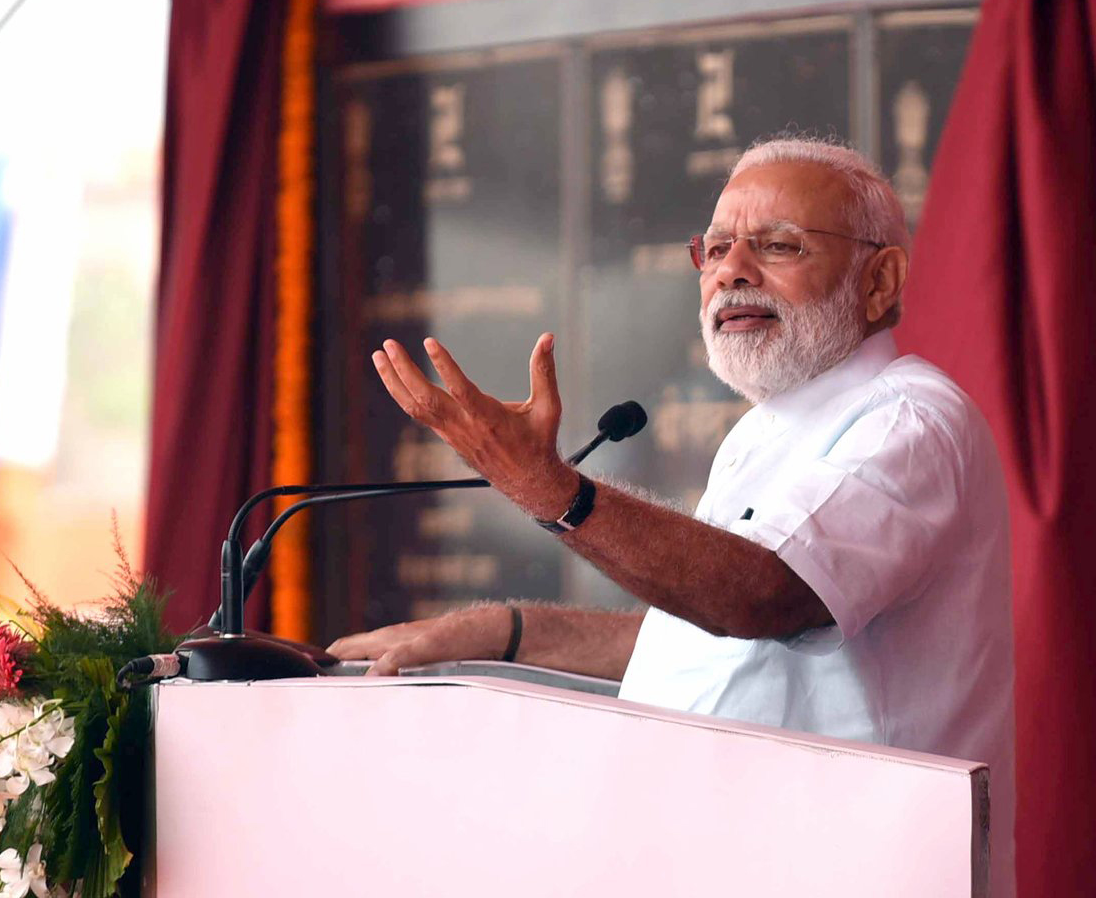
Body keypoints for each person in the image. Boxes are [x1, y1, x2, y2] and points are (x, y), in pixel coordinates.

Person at [327, 137, 1015, 895]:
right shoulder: (766, 430)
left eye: (777, 245)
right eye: (715, 247)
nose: (731, 270)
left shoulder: (907, 420)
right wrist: (502, 631)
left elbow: (761, 597)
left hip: (849, 866)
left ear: (878, 281)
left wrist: (545, 486)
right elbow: (706, 642)